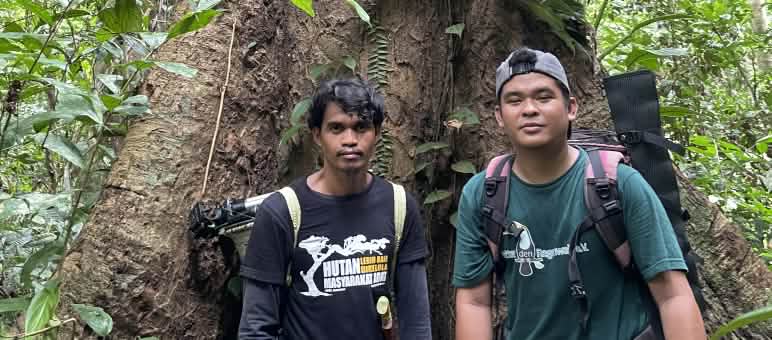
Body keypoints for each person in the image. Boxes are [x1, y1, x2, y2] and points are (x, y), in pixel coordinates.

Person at [452, 47, 705, 340]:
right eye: (514, 100)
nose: (529, 109)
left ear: (571, 107)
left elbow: (673, 294)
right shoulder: (483, 194)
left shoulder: (617, 183)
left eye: (544, 97)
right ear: (499, 115)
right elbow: (474, 301)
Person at [238, 79, 432, 340]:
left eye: (361, 127)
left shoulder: (399, 206)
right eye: (337, 128)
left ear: (376, 132)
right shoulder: (282, 211)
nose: (350, 140)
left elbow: (416, 321)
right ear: (317, 134)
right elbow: (256, 327)